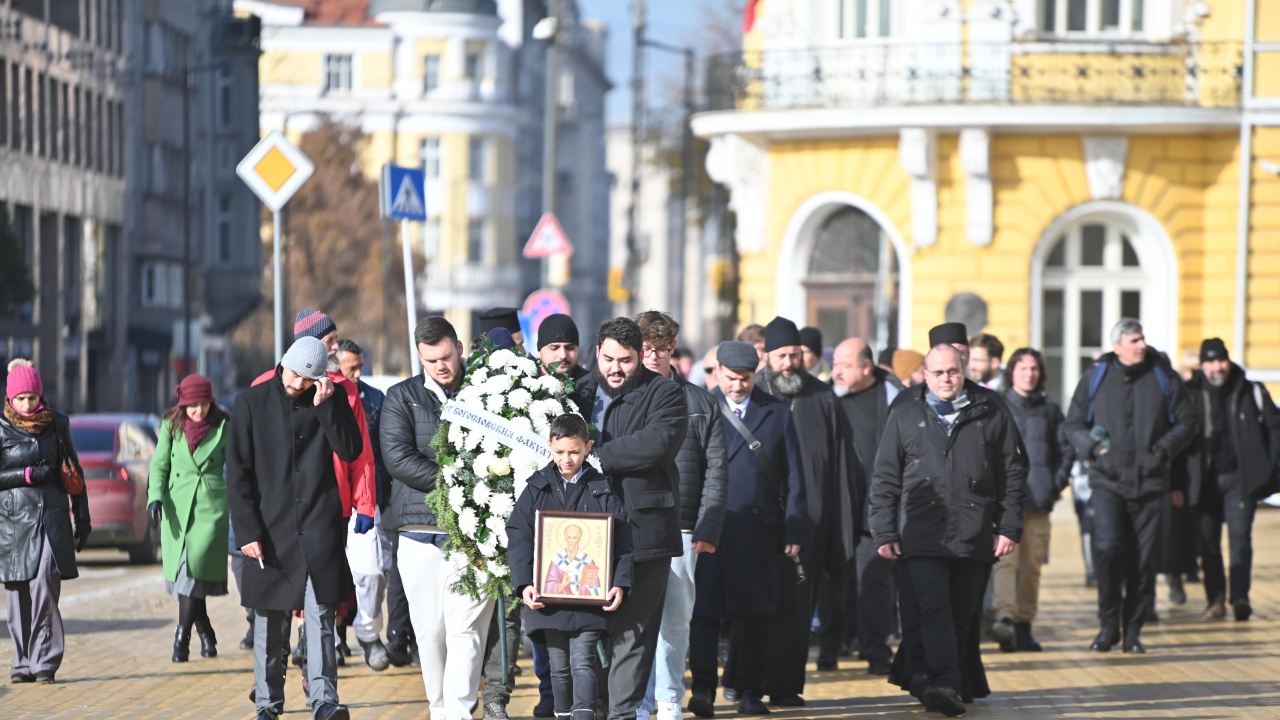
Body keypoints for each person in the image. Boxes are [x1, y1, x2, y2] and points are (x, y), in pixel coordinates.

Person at [869, 344, 1026, 718]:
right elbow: (886, 475)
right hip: (921, 531)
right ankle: (943, 683)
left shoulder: (990, 411)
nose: (945, 379)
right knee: (933, 607)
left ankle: (942, 681)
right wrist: (883, 530)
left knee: (960, 613)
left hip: (973, 531)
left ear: (964, 369)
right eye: (937, 373)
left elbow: (1012, 474)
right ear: (925, 374)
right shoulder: (906, 412)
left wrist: (1008, 526)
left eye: (952, 372)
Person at [228, 337, 366, 720]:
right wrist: (248, 533)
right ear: (282, 363)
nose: (296, 383)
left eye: (307, 378)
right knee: (269, 623)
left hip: (319, 529)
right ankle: (268, 705)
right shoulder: (250, 403)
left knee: (321, 617)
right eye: (292, 373)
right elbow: (237, 476)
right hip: (269, 531)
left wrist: (325, 408)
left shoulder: (329, 400)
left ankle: (324, 701)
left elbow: (351, 450)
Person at [381, 316, 497, 720]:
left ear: (459, 347)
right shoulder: (402, 397)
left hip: (475, 534)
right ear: (420, 357)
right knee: (430, 633)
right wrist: (459, 481)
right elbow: (397, 458)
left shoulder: (489, 391)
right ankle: (440, 709)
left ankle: (459, 713)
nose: (440, 367)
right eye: (430, 361)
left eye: (446, 357)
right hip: (418, 534)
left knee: (467, 631)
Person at [254, 311, 380, 671]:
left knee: (325, 587)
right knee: (281, 581)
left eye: (336, 341)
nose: (336, 347)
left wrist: (365, 502)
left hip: (332, 504)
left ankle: (318, 654)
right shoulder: (267, 384)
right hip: (281, 505)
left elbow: (361, 453)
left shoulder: (345, 391)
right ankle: (277, 658)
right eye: (329, 342)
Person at [576, 317, 688, 720]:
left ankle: (622, 715)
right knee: (585, 637)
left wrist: (591, 457)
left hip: (645, 534)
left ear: (641, 357)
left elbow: (657, 443)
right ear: (597, 354)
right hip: (583, 534)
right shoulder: (577, 392)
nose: (615, 369)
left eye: (626, 360)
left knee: (634, 637)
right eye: (608, 359)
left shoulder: (666, 394)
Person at [688, 341, 807, 717]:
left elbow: (795, 478)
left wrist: (794, 531)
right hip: (712, 528)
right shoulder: (701, 406)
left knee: (755, 614)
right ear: (717, 372)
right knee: (705, 614)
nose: (737, 386)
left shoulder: (776, 412)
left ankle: (751, 689)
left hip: (759, 531)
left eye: (744, 379)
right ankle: (704, 689)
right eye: (730, 378)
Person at [1062, 318, 1195, 654]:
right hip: (1107, 480)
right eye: (1134, 340)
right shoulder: (1096, 376)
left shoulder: (1163, 375)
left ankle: (1132, 632)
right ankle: (1108, 626)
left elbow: (1188, 421)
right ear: (1117, 346)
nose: (1142, 345)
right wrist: (1094, 450)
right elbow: (1074, 423)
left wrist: (1162, 450)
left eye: (1143, 339)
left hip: (1150, 482)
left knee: (1143, 559)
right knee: (1106, 550)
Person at [756, 316, 858, 707]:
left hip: (811, 528)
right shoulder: (755, 394)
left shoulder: (823, 398)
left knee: (798, 611)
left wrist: (841, 534)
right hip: (761, 523)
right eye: (782, 355)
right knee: (758, 608)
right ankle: (749, 684)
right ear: (767, 356)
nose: (789, 363)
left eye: (795, 355)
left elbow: (843, 471)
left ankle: (785, 687)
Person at [635, 311, 728, 720]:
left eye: (661, 349)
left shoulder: (700, 401)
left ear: (673, 348)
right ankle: (637, 702)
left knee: (675, 623)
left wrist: (709, 524)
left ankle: (669, 699)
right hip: (633, 526)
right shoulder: (625, 397)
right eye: (646, 349)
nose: (653, 357)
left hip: (685, 525)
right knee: (636, 624)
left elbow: (718, 469)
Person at [509, 414, 633, 720]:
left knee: (583, 661)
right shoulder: (537, 488)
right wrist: (525, 583)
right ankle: (563, 714)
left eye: (575, 452)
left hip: (590, 598)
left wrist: (619, 582)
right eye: (560, 452)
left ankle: (584, 715)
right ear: (550, 445)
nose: (567, 459)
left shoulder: (602, 489)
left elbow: (623, 540)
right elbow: (520, 535)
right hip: (549, 598)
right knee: (559, 666)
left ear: (588, 447)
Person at [1, 359, 91, 684]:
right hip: (13, 524)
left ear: (41, 396)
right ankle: (22, 661)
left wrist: (82, 517)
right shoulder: (1, 428)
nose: (28, 405)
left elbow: (74, 471)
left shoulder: (57, 424)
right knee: (17, 594)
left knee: (44, 583)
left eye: (33, 398)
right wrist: (23, 474)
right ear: (10, 399)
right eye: (21, 399)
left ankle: (46, 660)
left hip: (51, 519)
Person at [1182, 338, 1280, 621]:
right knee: (1207, 543)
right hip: (1203, 481)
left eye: (1221, 360)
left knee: (1240, 539)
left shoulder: (1250, 389)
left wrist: (1268, 468)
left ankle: (1240, 597)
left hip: (1240, 480)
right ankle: (1215, 600)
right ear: (1202, 365)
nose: (1217, 367)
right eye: (1211, 362)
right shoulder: (1189, 393)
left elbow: (1275, 427)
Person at [822, 338, 899, 675]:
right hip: (833, 508)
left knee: (875, 582)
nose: (836, 371)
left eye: (845, 365)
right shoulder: (823, 396)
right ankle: (829, 647)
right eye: (835, 364)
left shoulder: (891, 396)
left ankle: (876, 650)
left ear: (867, 367)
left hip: (875, 509)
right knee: (831, 582)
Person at [989, 349, 1070, 653]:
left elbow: (1065, 451)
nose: (1029, 373)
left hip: (1038, 501)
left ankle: (1024, 625)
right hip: (1003, 501)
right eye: (1023, 368)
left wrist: (1055, 484)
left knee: (1032, 565)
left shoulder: (1050, 409)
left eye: (1034, 368)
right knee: (1004, 562)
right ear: (1012, 372)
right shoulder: (997, 405)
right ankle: (1005, 620)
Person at [148, 374, 231, 663]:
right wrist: (155, 498)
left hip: (211, 510)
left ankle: (181, 639)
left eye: (204, 404)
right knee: (189, 577)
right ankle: (206, 631)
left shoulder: (223, 426)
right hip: (177, 508)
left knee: (190, 576)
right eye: (193, 405)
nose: (199, 411)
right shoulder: (171, 426)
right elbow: (160, 465)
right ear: (183, 404)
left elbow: (238, 465)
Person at [335, 339, 401, 669]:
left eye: (361, 367)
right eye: (352, 369)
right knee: (329, 576)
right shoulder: (323, 399)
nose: (359, 374)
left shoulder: (375, 400)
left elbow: (378, 456)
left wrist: (378, 497)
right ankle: (328, 638)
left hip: (365, 501)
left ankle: (368, 632)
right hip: (328, 504)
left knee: (374, 573)